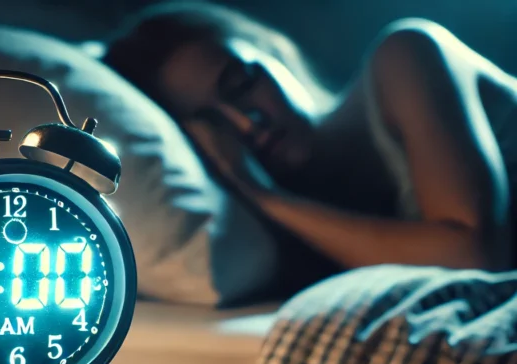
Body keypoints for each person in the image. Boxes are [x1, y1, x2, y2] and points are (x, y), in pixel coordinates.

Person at [102, 2, 517, 289]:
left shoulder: (406, 54)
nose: (247, 123)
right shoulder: (290, 242)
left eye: (242, 83)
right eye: (214, 123)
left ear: (272, 50)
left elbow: (473, 256)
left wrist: (268, 198)